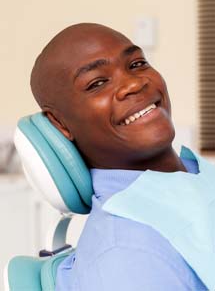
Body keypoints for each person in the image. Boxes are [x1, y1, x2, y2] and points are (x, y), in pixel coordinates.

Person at [30, 23, 208, 290]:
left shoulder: (194, 172)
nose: (134, 83)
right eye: (97, 83)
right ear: (60, 124)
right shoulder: (127, 255)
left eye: (136, 64)